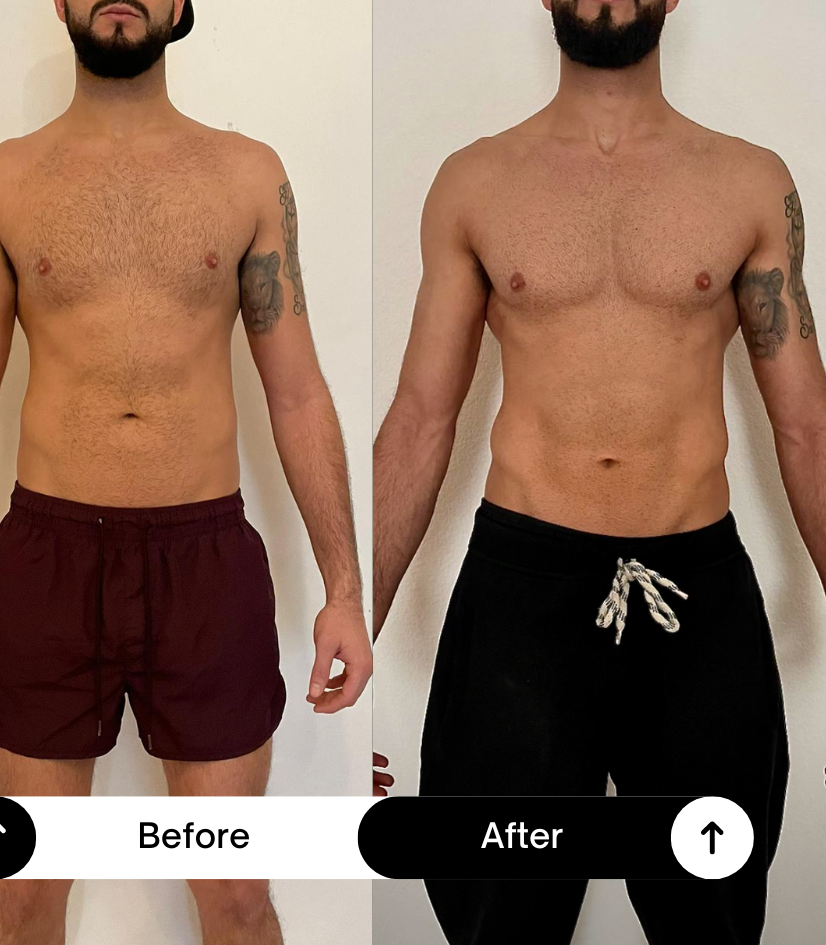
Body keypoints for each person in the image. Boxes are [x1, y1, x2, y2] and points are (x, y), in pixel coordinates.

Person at [0, 2, 371, 943]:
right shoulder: (1, 182)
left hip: (204, 562)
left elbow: (300, 395)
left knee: (233, 893)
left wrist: (344, 588)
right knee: (26, 889)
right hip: (47, 560)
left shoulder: (247, 175)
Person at [373, 1, 824, 943]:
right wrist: (351, 628)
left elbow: (807, 426)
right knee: (499, 913)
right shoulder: (476, 182)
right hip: (519, 602)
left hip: (695, 596)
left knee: (715, 910)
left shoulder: (749, 182)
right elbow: (419, 419)